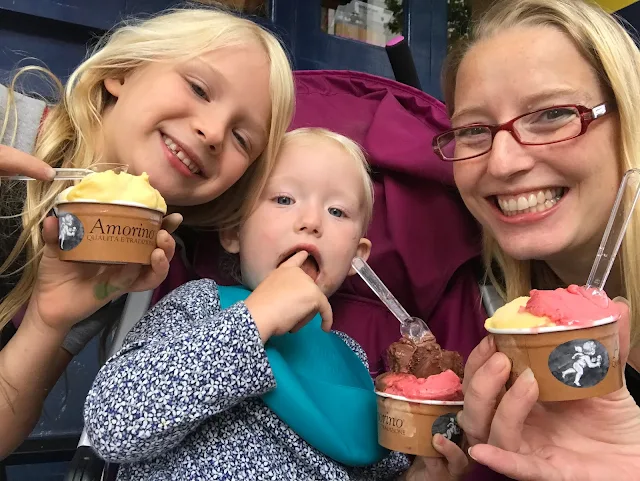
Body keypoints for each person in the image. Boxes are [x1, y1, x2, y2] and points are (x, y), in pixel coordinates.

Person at [83, 128, 469, 481]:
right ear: (234, 232)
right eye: (284, 199)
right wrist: (254, 320)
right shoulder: (199, 305)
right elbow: (115, 425)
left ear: (357, 256)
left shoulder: (352, 360)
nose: (312, 221)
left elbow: (368, 469)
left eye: (337, 211)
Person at [0, 6, 295, 458]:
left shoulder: (112, 263)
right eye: (198, 88)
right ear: (121, 72)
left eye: (242, 139)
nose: (214, 132)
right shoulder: (8, 122)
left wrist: (46, 321)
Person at [432, 0, 640, 479]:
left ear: (628, 119)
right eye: (473, 130)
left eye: (550, 115)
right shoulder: (495, 313)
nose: (502, 163)